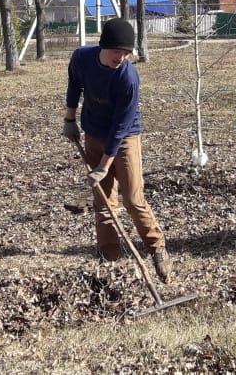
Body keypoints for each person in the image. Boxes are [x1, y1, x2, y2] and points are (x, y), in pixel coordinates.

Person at [62, 18, 172, 283]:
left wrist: (104, 166)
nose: (121, 57)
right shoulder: (82, 58)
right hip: (93, 134)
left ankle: (157, 249)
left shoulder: (128, 78)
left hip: (124, 140)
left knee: (133, 199)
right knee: (104, 203)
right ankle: (109, 260)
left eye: (126, 52)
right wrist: (69, 119)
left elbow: (121, 127)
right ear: (103, 46)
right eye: (116, 51)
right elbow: (74, 85)